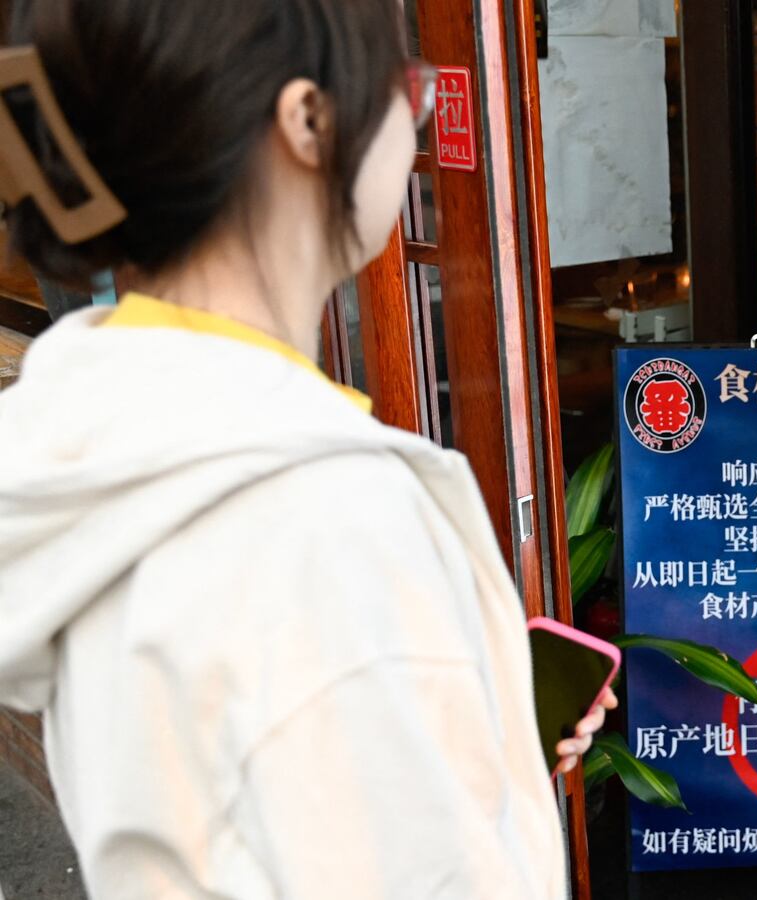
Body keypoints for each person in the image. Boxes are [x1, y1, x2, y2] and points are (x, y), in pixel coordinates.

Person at [0, 1, 610, 896]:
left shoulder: (97, 436)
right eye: (408, 89)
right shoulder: (329, 516)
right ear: (309, 122)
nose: (417, 119)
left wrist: (465, 712)